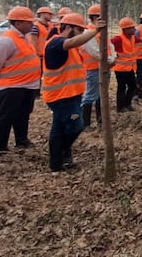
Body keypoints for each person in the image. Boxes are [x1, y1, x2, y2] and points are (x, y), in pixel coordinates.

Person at [42, 12, 105, 172]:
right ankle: (62, 151)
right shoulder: (56, 43)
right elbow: (72, 42)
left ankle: (57, 161)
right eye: (79, 30)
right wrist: (95, 31)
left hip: (70, 95)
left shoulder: (69, 47)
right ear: (68, 27)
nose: (81, 34)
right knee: (76, 124)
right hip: (61, 97)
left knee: (59, 127)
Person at [0, 6, 40, 157]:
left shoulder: (24, 38)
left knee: (23, 114)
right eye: (28, 22)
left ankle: (21, 140)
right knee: (6, 116)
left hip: (27, 85)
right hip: (11, 86)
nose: (32, 25)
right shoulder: (6, 41)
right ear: (18, 23)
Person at [80, 4, 115, 130]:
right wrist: (109, 60)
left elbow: (110, 46)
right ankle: (85, 123)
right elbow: (95, 53)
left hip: (105, 67)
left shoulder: (102, 32)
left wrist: (113, 58)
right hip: (93, 69)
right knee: (90, 95)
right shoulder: (88, 33)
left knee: (101, 95)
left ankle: (101, 120)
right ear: (96, 18)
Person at [111, 18, 139, 112]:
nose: (134, 29)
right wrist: (113, 55)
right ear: (125, 29)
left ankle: (127, 104)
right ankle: (120, 107)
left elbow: (141, 40)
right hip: (120, 69)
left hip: (129, 68)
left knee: (133, 87)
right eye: (132, 28)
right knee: (121, 88)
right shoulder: (118, 39)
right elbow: (108, 45)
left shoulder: (132, 38)